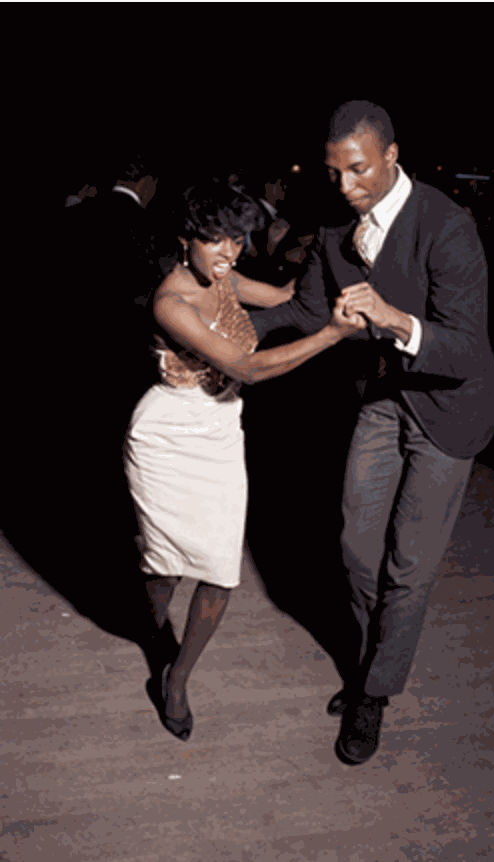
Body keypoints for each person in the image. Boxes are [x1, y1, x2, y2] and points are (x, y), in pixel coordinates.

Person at [248, 100, 494, 765]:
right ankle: (368, 664)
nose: (346, 188)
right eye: (334, 174)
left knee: (408, 567)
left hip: (449, 407)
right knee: (357, 549)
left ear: (391, 155)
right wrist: (236, 336)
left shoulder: (447, 226)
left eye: (358, 170)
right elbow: (307, 307)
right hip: (385, 398)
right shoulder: (337, 224)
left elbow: (467, 350)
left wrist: (390, 317)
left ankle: (374, 693)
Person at [123, 179, 364, 741]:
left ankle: (176, 680)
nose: (228, 252)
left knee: (220, 572)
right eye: (215, 241)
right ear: (186, 242)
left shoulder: (227, 277)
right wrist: (331, 335)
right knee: (165, 565)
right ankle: (151, 632)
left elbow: (284, 299)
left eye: (236, 239)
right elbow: (248, 368)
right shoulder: (171, 301)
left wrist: (338, 260)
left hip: (220, 434)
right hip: (167, 437)